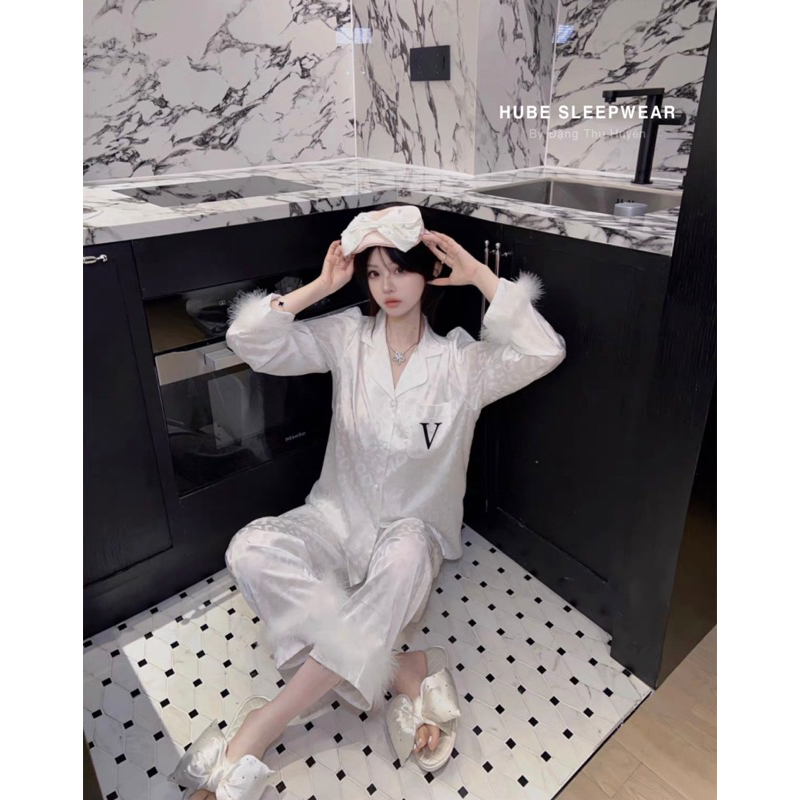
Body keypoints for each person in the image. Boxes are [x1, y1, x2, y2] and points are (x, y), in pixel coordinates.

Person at [171, 204, 567, 799]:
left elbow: (545, 351)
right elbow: (248, 340)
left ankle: (263, 725)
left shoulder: (462, 364)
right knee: (248, 549)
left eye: (400, 269)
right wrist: (320, 287)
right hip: (335, 518)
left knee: (404, 559)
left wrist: (481, 276)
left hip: (410, 532)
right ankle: (404, 669)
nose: (387, 286)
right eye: (374, 272)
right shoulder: (346, 338)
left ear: (428, 274)